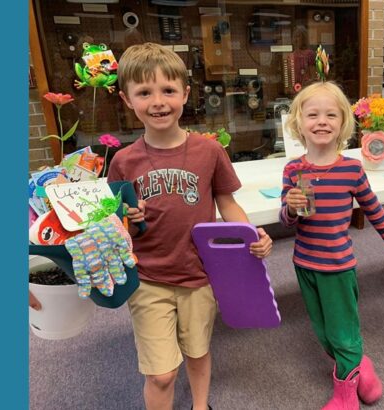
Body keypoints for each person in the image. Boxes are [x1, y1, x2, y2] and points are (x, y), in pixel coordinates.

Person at [106, 42, 273, 410]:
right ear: (127, 99)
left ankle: (201, 405)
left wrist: (252, 236)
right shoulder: (122, 161)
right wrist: (129, 221)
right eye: (144, 92)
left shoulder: (209, 151)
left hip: (200, 275)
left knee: (198, 352)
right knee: (161, 373)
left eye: (168, 90)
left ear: (185, 93)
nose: (158, 101)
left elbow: (228, 204)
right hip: (148, 278)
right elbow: (118, 229)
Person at [279, 82, 384, 410]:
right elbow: (286, 220)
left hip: (337, 267)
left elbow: (373, 208)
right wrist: (292, 208)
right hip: (304, 264)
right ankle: (360, 368)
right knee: (324, 332)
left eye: (330, 114)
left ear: (343, 123)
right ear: (299, 123)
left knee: (343, 333)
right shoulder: (293, 169)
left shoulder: (351, 169)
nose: (321, 121)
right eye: (312, 114)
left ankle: (344, 395)